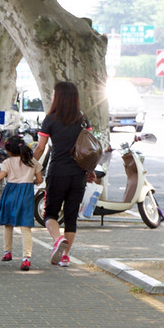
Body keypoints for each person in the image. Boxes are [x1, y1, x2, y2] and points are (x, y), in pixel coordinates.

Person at [33, 81, 97, 267]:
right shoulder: (83, 119)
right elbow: (89, 148)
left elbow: (40, 147)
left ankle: (57, 240)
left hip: (58, 172)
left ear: (58, 97)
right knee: (70, 216)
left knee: (50, 213)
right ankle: (65, 257)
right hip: (78, 173)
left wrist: (30, 164)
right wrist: (90, 170)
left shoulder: (50, 119)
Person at [0, 136, 43, 271]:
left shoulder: (7, 162)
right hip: (26, 193)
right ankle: (26, 258)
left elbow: (0, 177)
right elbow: (39, 179)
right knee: (26, 226)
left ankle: (7, 252)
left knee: (8, 224)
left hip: (11, 192)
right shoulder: (32, 161)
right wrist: (30, 180)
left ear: (8, 151)